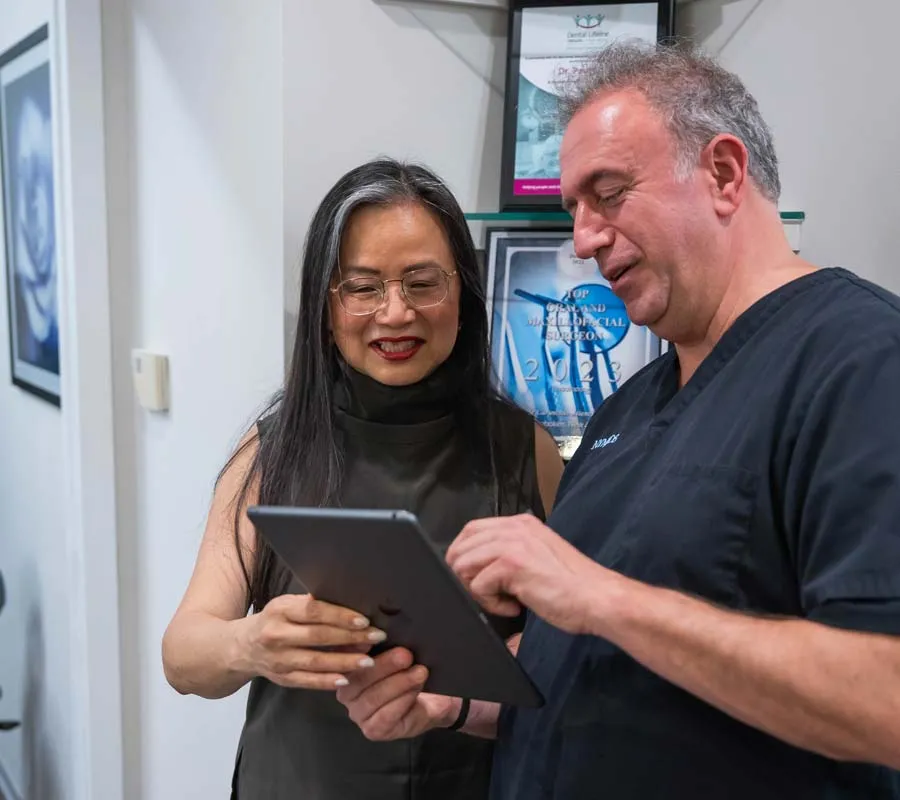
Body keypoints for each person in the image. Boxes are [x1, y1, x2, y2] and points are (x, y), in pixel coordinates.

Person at [335, 42, 900, 798]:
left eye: (608, 193)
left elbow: (883, 696)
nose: (583, 238)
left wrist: (602, 596)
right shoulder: (625, 412)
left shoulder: (860, 361)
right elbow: (598, 686)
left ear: (724, 175)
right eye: (573, 207)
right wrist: (459, 703)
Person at [161, 158, 565, 799]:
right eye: (363, 287)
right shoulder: (274, 452)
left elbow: (569, 653)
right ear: (326, 306)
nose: (396, 312)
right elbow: (184, 655)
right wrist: (250, 644)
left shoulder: (523, 449)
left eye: (422, 282)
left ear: (463, 292)